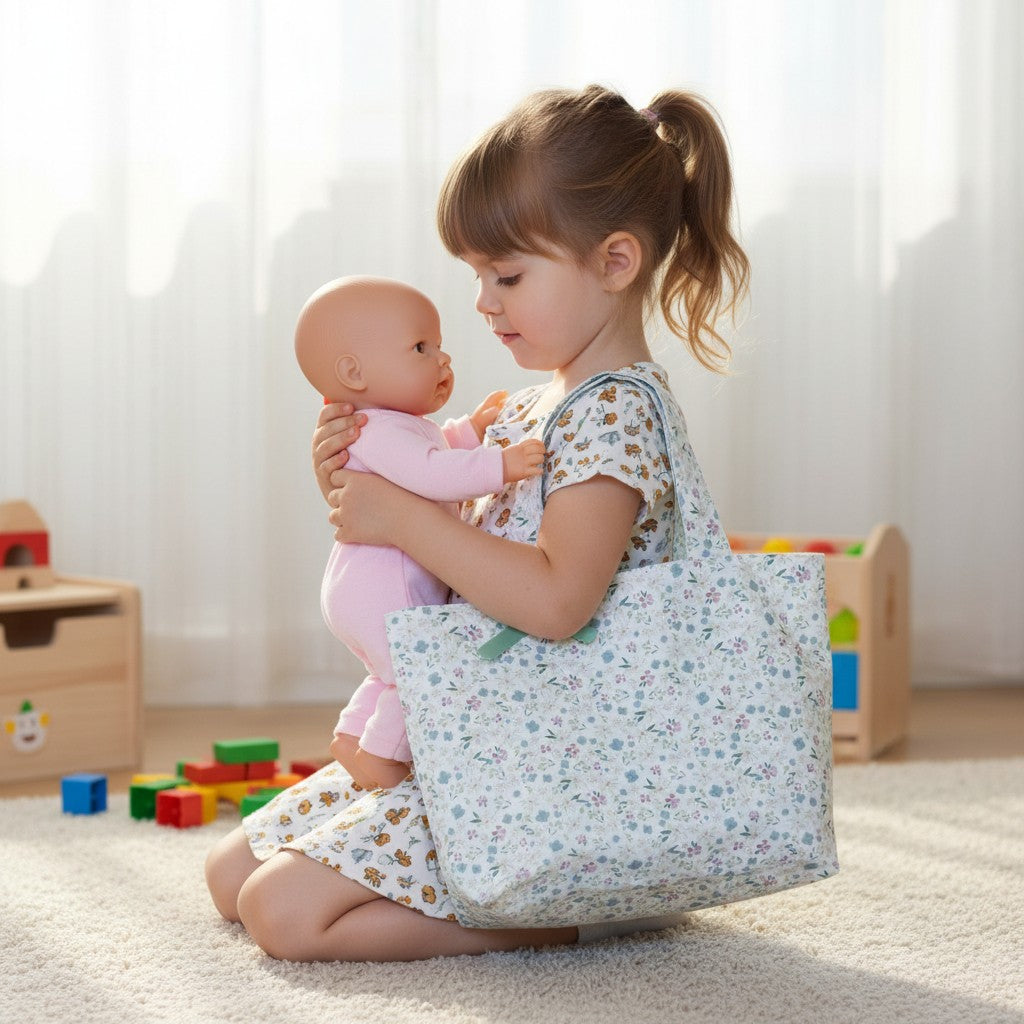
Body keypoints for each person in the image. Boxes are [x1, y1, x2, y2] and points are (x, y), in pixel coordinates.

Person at [206, 83, 749, 962]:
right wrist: (359, 488)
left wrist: (405, 518)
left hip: (560, 775)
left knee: (283, 916)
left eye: (508, 276)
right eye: (476, 278)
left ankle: (578, 906)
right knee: (232, 876)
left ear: (615, 262)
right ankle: (540, 892)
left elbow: (555, 601)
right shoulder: (530, 410)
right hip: (479, 734)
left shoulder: (617, 414)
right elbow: (440, 548)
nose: (484, 304)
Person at [293, 275, 545, 791]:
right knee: (419, 675)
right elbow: (431, 472)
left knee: (389, 673)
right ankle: (383, 762)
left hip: (364, 587)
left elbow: (432, 446)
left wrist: (468, 430)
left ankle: (351, 735)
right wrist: (502, 464)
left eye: (439, 345)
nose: (442, 360)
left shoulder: (389, 424)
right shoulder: (377, 429)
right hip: (386, 589)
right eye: (420, 347)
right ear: (353, 373)